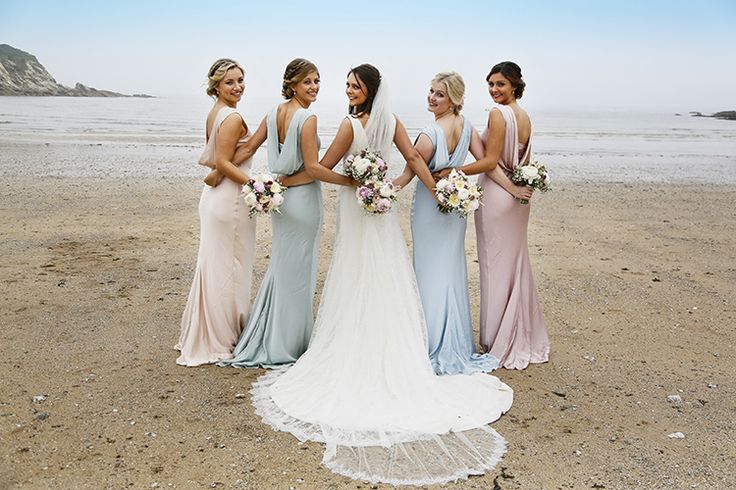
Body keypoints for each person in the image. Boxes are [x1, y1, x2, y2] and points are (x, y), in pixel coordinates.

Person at [250, 64, 513, 486]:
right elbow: (409, 157)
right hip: (380, 208)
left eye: (355, 85)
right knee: (377, 272)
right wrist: (391, 186)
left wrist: (356, 185)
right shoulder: (391, 121)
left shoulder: (350, 125)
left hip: (362, 208)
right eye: (347, 85)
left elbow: (319, 168)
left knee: (364, 272)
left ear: (369, 90)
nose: (348, 90)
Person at [218, 58, 334, 369]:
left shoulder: (273, 113)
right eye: (308, 81)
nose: (314, 87)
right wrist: (344, 179)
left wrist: (222, 165)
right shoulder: (307, 119)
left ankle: (272, 336)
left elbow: (248, 148)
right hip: (303, 201)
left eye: (317, 81)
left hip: (281, 203)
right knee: (299, 273)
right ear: (292, 84)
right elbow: (312, 170)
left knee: (284, 269)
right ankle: (289, 344)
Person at [438, 61, 549, 370]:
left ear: (515, 85)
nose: (494, 90)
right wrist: (518, 189)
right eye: (491, 84)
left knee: (494, 266)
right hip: (515, 201)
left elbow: (489, 162)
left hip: (501, 197)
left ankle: (498, 341)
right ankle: (520, 333)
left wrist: (454, 169)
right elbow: (516, 161)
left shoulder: (498, 115)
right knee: (514, 265)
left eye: (500, 84)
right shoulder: (524, 116)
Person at [407, 72, 500, 375]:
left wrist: (441, 178)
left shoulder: (429, 133)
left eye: (440, 95)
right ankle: (454, 342)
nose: (432, 98)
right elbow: (486, 162)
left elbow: (414, 163)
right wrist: (458, 171)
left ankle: (427, 340)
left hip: (430, 208)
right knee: (449, 267)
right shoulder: (468, 125)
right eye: (431, 91)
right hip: (456, 207)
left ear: (454, 99)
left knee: (429, 268)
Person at [175, 59, 256, 366]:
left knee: (215, 265)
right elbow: (223, 163)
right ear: (217, 86)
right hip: (230, 200)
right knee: (229, 268)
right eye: (230, 82)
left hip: (215, 197)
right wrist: (257, 186)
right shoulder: (231, 117)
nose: (237, 87)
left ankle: (209, 332)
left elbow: (223, 160)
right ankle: (222, 337)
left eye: (240, 80)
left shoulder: (215, 114)